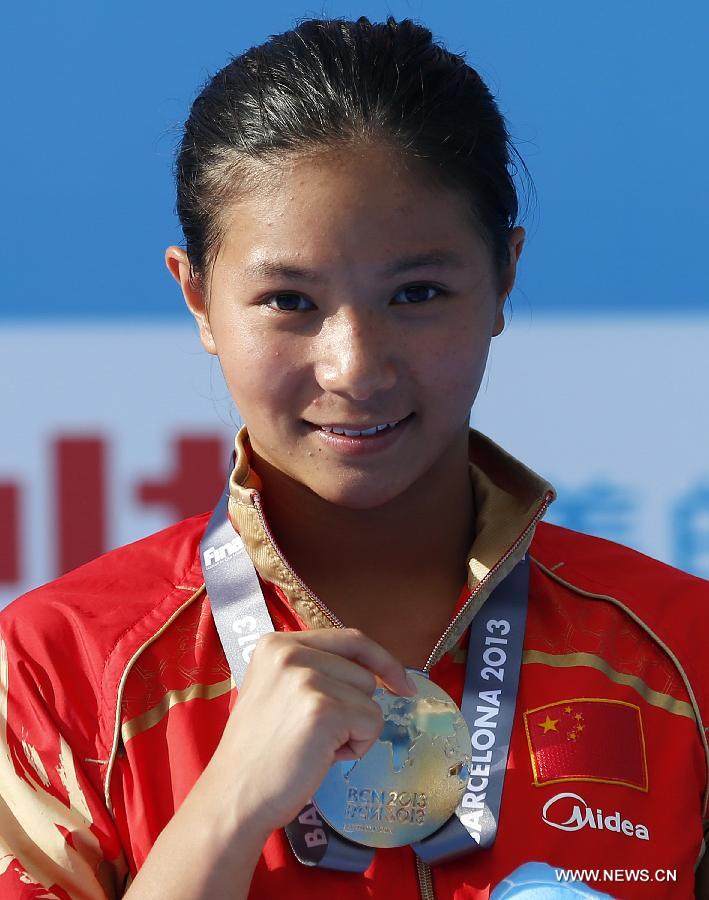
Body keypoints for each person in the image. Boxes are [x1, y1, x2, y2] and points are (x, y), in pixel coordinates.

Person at [0, 15, 706, 900]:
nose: (355, 368)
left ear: (504, 278)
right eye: (288, 300)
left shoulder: (681, 653)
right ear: (196, 298)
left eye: (417, 293)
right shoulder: (55, 669)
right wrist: (222, 812)